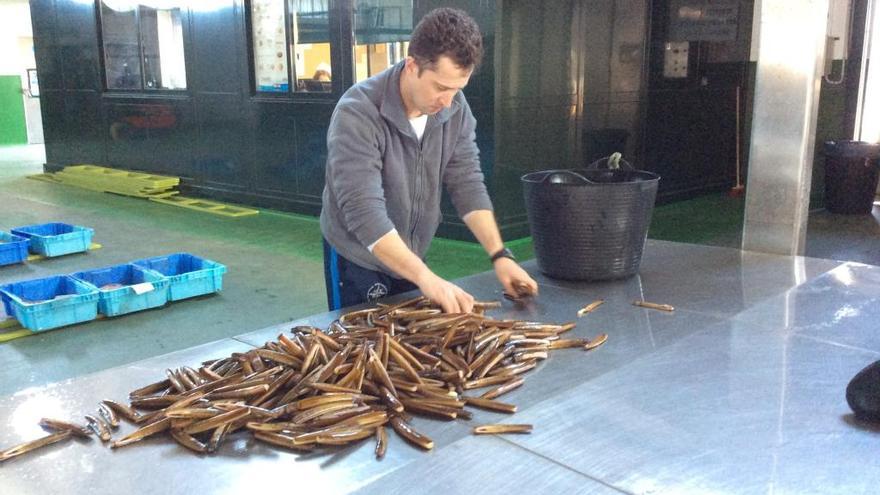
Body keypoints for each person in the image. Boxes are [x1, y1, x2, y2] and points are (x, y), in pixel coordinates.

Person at [320, 7, 537, 314]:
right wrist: (426, 277)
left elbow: (467, 183)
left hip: (410, 253)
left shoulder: (455, 109)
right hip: (357, 257)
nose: (448, 102)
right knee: (359, 351)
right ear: (412, 66)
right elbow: (364, 213)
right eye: (441, 87)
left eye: (458, 89)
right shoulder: (357, 113)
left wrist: (500, 255)